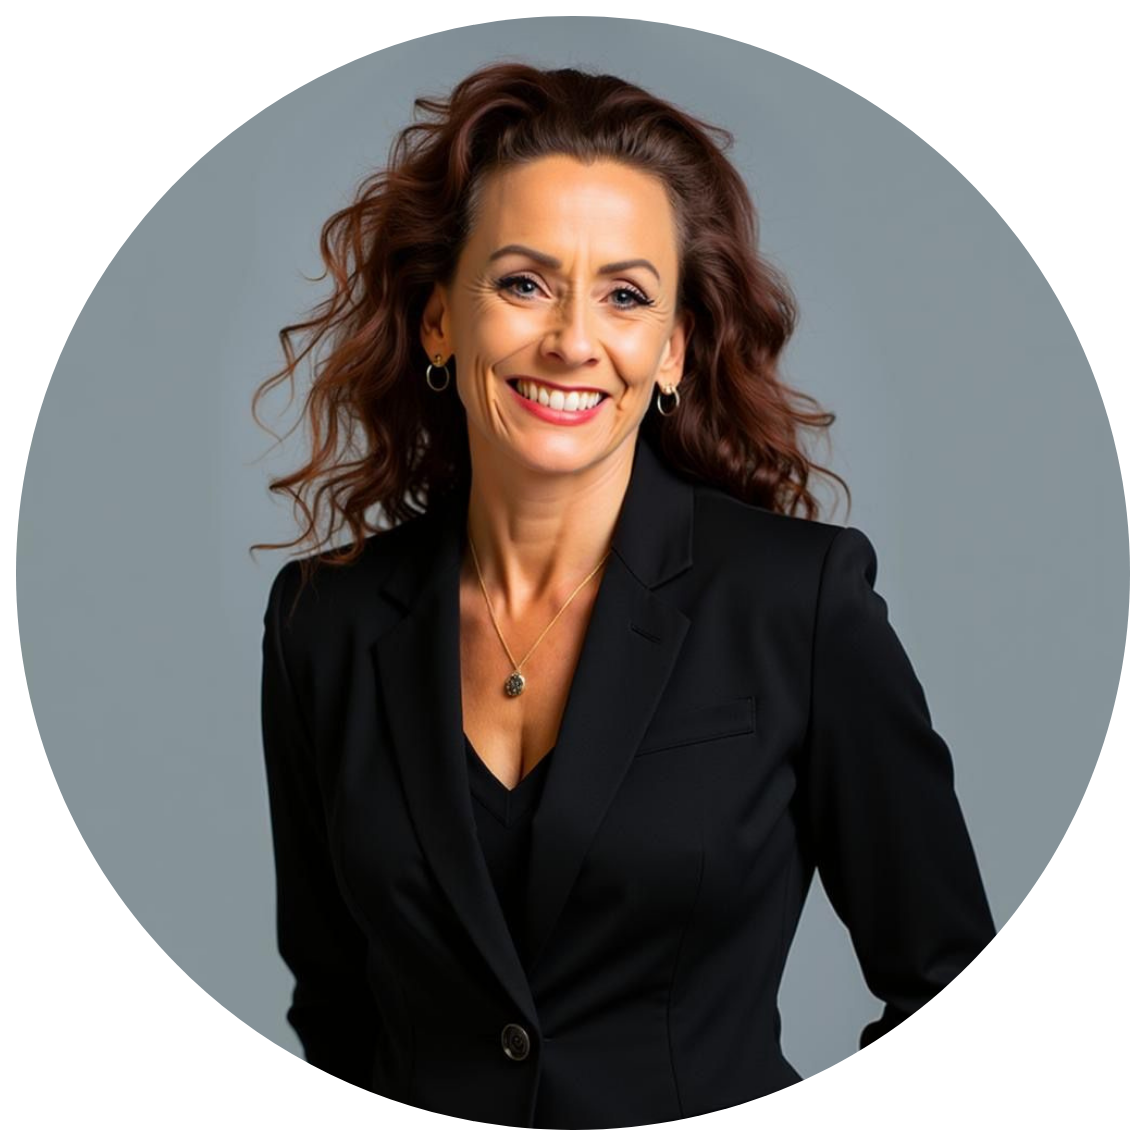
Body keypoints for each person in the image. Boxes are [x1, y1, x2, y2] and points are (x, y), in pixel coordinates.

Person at [251, 61, 1010, 1130]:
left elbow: (950, 997)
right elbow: (334, 1002)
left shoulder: (797, 603)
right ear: (437, 321)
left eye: (624, 295)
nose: (572, 339)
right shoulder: (322, 621)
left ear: (671, 350)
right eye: (523, 283)